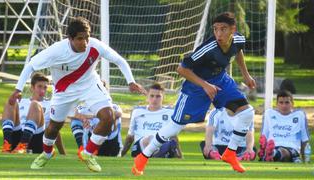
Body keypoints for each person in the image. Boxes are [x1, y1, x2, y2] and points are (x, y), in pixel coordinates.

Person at [8, 17, 146, 172]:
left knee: (109, 116)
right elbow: (30, 66)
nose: (85, 42)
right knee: (54, 127)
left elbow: (119, 60)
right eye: (80, 39)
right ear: (70, 39)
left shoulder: (95, 46)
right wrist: (18, 89)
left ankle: (87, 153)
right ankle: (47, 154)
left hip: (90, 85)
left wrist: (131, 81)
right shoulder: (56, 50)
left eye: (87, 37)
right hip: (64, 91)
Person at [132, 12, 256, 175]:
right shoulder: (207, 48)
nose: (218, 34)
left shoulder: (239, 39)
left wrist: (246, 75)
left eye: (223, 29)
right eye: (215, 29)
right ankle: (143, 156)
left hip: (221, 81)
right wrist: (205, 85)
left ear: (233, 29)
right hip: (195, 87)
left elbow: (237, 51)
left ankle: (230, 153)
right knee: (174, 128)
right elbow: (181, 69)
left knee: (246, 112)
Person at [1, 72, 66, 154]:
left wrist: (62, 153)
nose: (42, 90)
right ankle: (7, 145)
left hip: (37, 139)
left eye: (45, 87)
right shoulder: (21, 101)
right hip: (17, 137)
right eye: (39, 86)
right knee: (11, 102)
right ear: (32, 88)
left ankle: (23, 145)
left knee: (35, 104)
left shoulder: (50, 105)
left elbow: (54, 129)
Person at [121, 83, 182, 159]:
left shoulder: (170, 112)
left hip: (161, 146)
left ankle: (158, 155)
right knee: (150, 138)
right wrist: (121, 155)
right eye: (152, 96)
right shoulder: (137, 111)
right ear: (147, 97)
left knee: (169, 142)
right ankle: (158, 155)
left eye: (158, 96)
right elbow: (130, 136)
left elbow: (173, 136)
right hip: (140, 148)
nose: (154, 99)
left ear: (163, 97)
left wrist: (180, 157)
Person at [259, 90, 310, 163]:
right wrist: (262, 148)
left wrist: (305, 159)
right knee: (277, 151)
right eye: (281, 103)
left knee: (284, 152)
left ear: (292, 104)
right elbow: (264, 136)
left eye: (287, 102)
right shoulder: (269, 114)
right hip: (273, 145)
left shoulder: (299, 115)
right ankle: (270, 153)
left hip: (291, 148)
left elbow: (304, 139)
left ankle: (272, 154)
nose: (284, 106)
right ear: (276, 104)